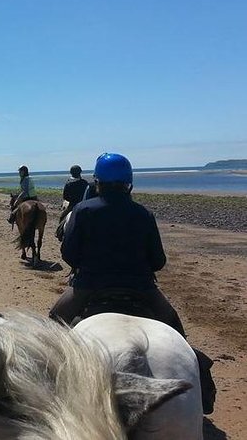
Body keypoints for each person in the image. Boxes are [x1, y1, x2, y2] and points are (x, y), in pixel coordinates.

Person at [49, 152, 216, 414]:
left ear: (97, 182)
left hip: (88, 287)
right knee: (175, 329)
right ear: (129, 183)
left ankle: (44, 385)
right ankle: (201, 385)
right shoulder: (143, 214)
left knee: (52, 325)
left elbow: (68, 254)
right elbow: (158, 260)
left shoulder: (82, 211)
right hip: (141, 289)